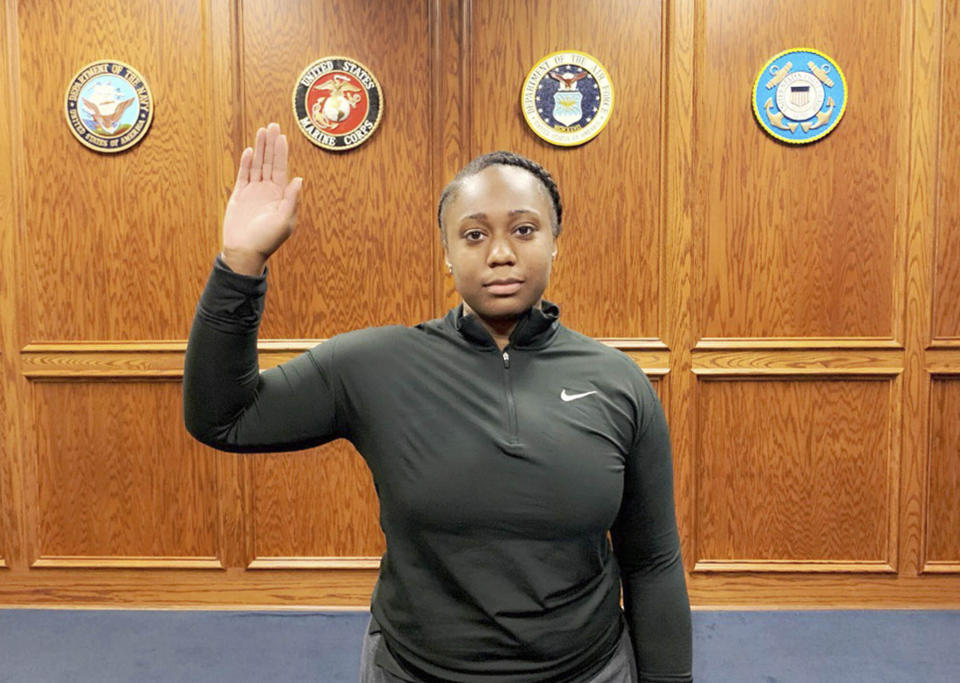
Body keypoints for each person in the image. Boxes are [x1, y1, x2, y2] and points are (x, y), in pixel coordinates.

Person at [184, 122, 692, 682]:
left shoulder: (618, 382)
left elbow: (651, 561)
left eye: (524, 229)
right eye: (473, 235)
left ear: (554, 242)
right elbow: (223, 417)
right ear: (447, 254)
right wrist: (240, 263)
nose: (500, 253)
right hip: (415, 671)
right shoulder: (375, 365)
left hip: (586, 671)